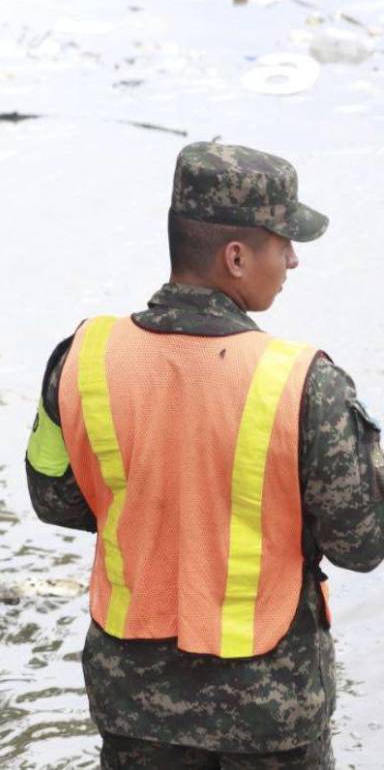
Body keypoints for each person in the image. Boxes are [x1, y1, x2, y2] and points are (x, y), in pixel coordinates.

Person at [24, 142, 384, 768]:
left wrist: (155, 508)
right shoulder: (304, 382)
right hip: (269, 711)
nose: (294, 260)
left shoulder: (81, 356)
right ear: (237, 257)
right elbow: (362, 545)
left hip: (134, 700)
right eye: (283, 242)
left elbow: (53, 497)